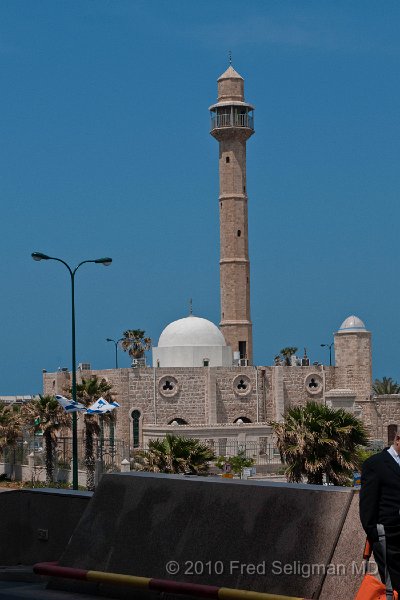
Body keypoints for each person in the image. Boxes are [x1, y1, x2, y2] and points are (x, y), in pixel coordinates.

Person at [359, 432, 400, 593]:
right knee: (394, 587)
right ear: (397, 439)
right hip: (388, 538)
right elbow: (367, 505)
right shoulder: (375, 464)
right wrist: (375, 534)